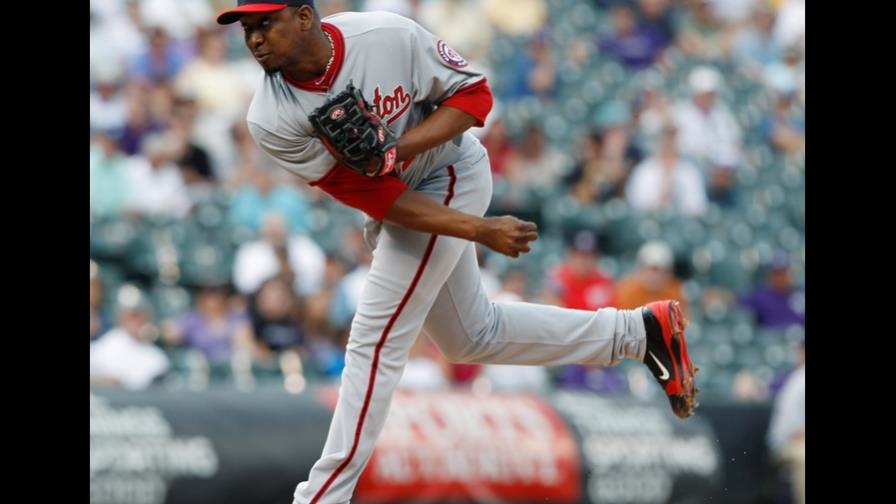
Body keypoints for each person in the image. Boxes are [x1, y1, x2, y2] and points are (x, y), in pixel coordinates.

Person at [215, 2, 699, 502]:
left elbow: (475, 95)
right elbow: (379, 197)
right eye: (247, 28)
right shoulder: (270, 119)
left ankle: (322, 497)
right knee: (471, 336)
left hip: (449, 170)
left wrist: (398, 151)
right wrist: (474, 228)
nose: (254, 39)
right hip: (399, 202)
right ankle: (637, 333)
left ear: (303, 17)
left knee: (374, 338)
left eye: (265, 23)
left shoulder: (383, 35)